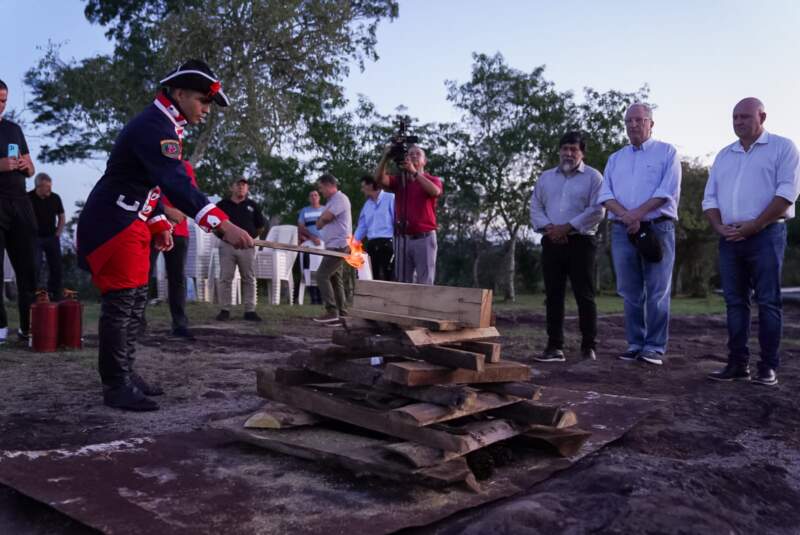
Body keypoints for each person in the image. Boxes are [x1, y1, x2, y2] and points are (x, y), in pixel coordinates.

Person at [77, 60, 254, 411]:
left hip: (131, 219)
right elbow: (176, 182)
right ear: (179, 92)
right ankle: (115, 384)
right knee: (122, 303)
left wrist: (158, 221)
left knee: (136, 298)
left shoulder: (165, 124)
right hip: (114, 222)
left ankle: (125, 372)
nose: (206, 110)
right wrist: (223, 224)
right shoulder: (155, 126)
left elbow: (149, 183)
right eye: (203, 101)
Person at [703, 98, 800, 386]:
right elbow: (710, 197)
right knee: (735, 303)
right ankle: (736, 364)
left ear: (762, 116)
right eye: (734, 117)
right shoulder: (724, 155)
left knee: (768, 301)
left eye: (745, 116)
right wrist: (719, 226)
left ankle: (767, 367)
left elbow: (787, 194)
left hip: (766, 235)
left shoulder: (783, 148)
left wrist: (755, 225)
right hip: (730, 237)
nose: (738, 122)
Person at [597, 103, 682, 366]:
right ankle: (635, 343)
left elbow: (665, 191)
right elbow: (605, 194)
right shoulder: (615, 158)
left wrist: (637, 214)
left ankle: (655, 347)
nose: (633, 125)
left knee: (657, 290)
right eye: (628, 121)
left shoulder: (667, 153)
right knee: (630, 291)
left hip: (657, 227)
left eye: (638, 120)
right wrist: (626, 216)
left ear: (651, 123)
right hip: (623, 231)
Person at [530, 132, 604, 362]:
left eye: (574, 149)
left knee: (585, 295)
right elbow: (535, 206)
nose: (569, 153)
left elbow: (597, 210)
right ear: (559, 151)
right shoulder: (545, 178)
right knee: (553, 295)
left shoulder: (594, 177)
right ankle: (554, 347)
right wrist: (551, 228)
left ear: (582, 152)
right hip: (551, 241)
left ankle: (588, 347)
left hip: (582, 242)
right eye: (565, 149)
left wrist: (568, 227)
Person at [0, 79, 36, 345]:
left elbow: (32, 169)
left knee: (28, 268)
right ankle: (0, 328)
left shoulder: (14, 129)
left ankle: (28, 327)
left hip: (20, 202)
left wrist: (26, 164)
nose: (1, 105)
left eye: (4, 100)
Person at [376, 145, 443, 284]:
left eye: (417, 154)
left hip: (424, 237)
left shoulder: (432, 179)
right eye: (410, 154)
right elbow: (378, 179)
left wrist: (414, 172)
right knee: (402, 282)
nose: (413, 156)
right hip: (402, 238)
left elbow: (435, 192)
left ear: (425, 161)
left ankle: (423, 306)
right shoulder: (400, 181)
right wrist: (385, 158)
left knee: (425, 281)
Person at [148, 160, 199, 339]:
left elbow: (192, 196)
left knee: (177, 277)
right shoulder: (149, 161)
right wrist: (166, 211)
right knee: (143, 275)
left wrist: (179, 215)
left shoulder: (185, 167)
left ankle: (179, 324)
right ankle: (135, 323)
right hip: (151, 227)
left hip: (179, 229)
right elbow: (144, 194)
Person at [215, 177, 266, 322]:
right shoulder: (222, 205)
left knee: (249, 278)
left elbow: (260, 226)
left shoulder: (253, 205)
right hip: (227, 245)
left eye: (244, 185)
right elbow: (214, 225)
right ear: (232, 188)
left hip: (247, 247)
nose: (241, 188)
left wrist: (250, 238)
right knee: (225, 277)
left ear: (247, 189)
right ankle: (225, 309)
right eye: (238, 185)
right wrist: (224, 237)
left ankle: (250, 310)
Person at [312, 173, 351, 324]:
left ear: (329, 185)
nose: (321, 191)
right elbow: (320, 221)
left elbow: (325, 219)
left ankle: (331, 311)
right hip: (334, 245)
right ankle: (342, 313)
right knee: (335, 279)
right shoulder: (331, 201)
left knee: (321, 275)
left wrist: (321, 221)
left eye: (321, 188)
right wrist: (321, 220)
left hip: (339, 246)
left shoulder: (340, 199)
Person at [28, 173, 65, 301]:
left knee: (56, 267)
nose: (49, 189)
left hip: (51, 237)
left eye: (50, 186)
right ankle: (34, 295)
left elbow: (61, 216)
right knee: (35, 266)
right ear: (38, 186)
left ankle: (55, 294)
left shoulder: (55, 198)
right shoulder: (28, 198)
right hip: (35, 239)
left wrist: (58, 233)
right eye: (46, 187)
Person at [353, 174, 395, 281]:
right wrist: (353, 243)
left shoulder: (390, 198)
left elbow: (396, 219)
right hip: (372, 244)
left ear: (371, 185)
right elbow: (362, 227)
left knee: (389, 276)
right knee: (373, 276)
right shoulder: (367, 205)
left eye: (363, 187)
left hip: (388, 243)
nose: (362, 190)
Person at [297, 190, 324, 304]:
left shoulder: (325, 209)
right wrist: (312, 238)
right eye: (311, 195)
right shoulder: (305, 211)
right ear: (309, 198)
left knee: (321, 269)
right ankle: (314, 298)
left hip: (323, 243)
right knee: (308, 269)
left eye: (316, 195)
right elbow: (301, 226)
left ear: (319, 197)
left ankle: (322, 297)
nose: (313, 197)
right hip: (309, 242)